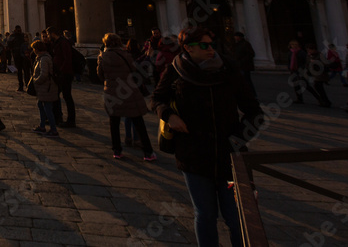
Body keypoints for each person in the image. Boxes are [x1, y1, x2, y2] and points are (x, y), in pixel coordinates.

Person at [152, 27, 262, 247]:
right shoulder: (176, 70)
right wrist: (169, 116)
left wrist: (237, 140)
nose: (210, 49)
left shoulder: (229, 69)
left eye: (211, 44)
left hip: (230, 157)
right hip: (194, 155)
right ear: (188, 48)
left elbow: (254, 112)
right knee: (204, 214)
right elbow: (157, 98)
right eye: (204, 45)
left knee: (236, 216)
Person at [98, 33, 156, 161]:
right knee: (138, 122)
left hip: (112, 91)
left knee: (114, 122)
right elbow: (134, 69)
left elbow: (100, 75)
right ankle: (148, 152)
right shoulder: (126, 55)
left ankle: (117, 151)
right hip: (128, 90)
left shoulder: (102, 57)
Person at [48, 27, 77, 128]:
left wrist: (61, 70)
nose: (48, 36)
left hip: (65, 74)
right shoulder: (56, 42)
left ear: (53, 33)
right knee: (55, 95)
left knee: (67, 96)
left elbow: (67, 58)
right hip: (59, 73)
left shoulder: (63, 43)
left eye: (48, 34)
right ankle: (57, 117)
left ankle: (71, 120)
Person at [30, 40, 59, 137]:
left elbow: (44, 74)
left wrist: (36, 81)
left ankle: (53, 130)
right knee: (41, 105)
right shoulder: (40, 58)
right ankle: (42, 126)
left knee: (47, 109)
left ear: (37, 49)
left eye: (34, 48)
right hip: (42, 88)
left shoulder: (44, 59)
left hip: (46, 87)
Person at [288, 40, 325, 105]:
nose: (293, 46)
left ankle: (319, 98)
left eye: (295, 44)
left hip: (301, 71)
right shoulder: (290, 52)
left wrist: (303, 69)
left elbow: (305, 61)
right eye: (292, 44)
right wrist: (289, 68)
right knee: (296, 86)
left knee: (306, 85)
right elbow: (289, 61)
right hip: (293, 71)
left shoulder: (301, 52)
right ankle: (299, 99)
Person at [303, 43, 332, 107]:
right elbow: (307, 63)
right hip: (313, 74)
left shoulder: (319, 55)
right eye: (308, 50)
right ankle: (324, 101)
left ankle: (325, 101)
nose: (309, 52)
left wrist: (316, 63)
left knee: (319, 87)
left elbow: (325, 65)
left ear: (314, 49)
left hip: (320, 75)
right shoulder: (309, 55)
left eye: (310, 50)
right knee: (318, 87)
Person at [231, 32, 256, 96]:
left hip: (244, 66)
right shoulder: (238, 44)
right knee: (243, 80)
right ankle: (247, 93)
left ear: (239, 37)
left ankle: (251, 93)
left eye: (236, 36)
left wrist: (242, 61)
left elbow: (251, 54)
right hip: (240, 65)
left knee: (246, 80)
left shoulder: (245, 44)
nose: (235, 38)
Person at [8, 26, 28, 90]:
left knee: (23, 71)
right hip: (18, 55)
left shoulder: (14, 36)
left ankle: (24, 85)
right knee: (22, 71)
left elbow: (9, 44)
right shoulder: (16, 36)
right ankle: (23, 85)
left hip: (20, 55)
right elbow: (9, 44)